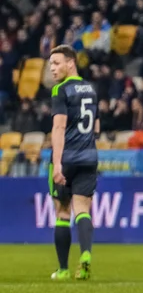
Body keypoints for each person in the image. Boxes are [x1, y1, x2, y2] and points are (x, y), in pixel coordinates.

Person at [48, 45, 99, 281]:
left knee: (62, 211)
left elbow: (58, 127)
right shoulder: (91, 89)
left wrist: (57, 164)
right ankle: (86, 255)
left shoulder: (61, 90)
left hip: (66, 158)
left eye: (57, 63)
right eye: (50, 65)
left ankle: (63, 269)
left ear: (71, 63)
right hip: (89, 156)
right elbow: (96, 128)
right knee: (83, 209)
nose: (52, 69)